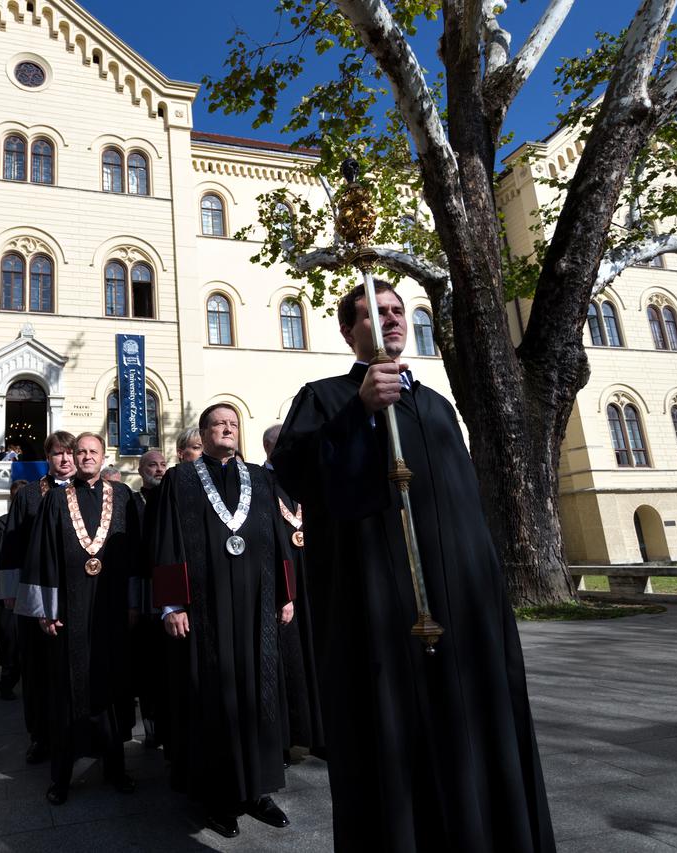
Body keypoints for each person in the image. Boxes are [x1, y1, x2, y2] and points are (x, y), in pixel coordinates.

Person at [271, 282, 555, 852]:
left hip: (463, 618)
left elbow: (467, 513)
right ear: (348, 332)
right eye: (374, 314)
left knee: (475, 744)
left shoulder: (438, 407)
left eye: (398, 311)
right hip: (379, 620)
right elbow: (298, 477)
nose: (391, 320)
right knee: (398, 756)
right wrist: (360, 416)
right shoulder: (323, 398)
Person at [151, 404, 294, 838]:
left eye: (233, 424)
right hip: (205, 611)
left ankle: (258, 789)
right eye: (219, 424)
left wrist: (286, 594)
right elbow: (167, 541)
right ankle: (218, 796)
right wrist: (173, 605)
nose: (227, 429)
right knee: (212, 695)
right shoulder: (182, 479)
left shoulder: (262, 477)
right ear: (204, 432)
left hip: (257, 604)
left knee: (258, 691)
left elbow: (279, 538)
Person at [19, 432, 139, 805]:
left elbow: (137, 554)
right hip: (69, 613)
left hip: (112, 608)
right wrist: (46, 610)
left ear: (104, 457)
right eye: (81, 452)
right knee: (66, 692)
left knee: (112, 687)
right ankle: (61, 776)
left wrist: (136, 603)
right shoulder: (55, 499)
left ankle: (116, 767)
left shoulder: (123, 497)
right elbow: (43, 556)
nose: (86, 457)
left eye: (93, 452)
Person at [0, 432, 76, 761]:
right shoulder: (29, 495)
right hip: (36, 594)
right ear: (48, 457)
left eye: (69, 453)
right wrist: (10, 592)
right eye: (58, 454)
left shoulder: (88, 491)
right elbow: (12, 545)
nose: (65, 459)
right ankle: (40, 736)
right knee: (38, 668)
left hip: (76, 593)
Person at [262, 423, 325, 759]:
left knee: (318, 656)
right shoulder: (260, 483)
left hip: (313, 580)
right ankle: (288, 739)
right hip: (283, 587)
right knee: (289, 661)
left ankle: (321, 734)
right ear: (274, 447)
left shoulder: (306, 481)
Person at [129, 449, 168, 750]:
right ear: (140, 470)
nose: (158, 469)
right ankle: (153, 726)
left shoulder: (173, 497)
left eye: (162, 464)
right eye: (152, 465)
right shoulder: (132, 502)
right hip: (143, 590)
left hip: (171, 586)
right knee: (147, 661)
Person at [0, 482, 22, 699]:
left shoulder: (36, 520)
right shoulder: (1, 525)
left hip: (30, 590)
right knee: (9, 638)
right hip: (8, 592)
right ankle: (7, 680)